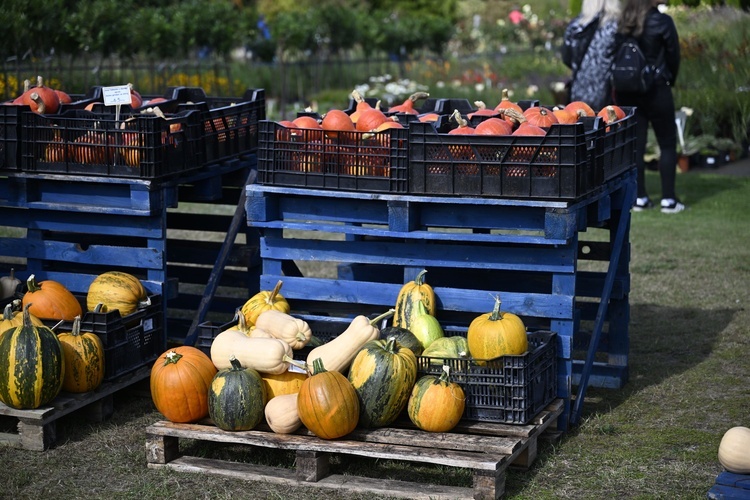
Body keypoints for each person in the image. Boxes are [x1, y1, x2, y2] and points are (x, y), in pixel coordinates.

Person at [614, 0, 684, 213]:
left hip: (628, 89)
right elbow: (673, 55)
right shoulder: (662, 21)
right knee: (667, 142)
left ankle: (640, 197)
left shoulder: (624, 21)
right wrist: (670, 77)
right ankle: (668, 199)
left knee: (636, 144)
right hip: (656, 87)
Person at [561, 0, 621, 112]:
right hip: (608, 94)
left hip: (578, 91)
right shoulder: (617, 27)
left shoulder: (576, 26)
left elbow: (566, 57)